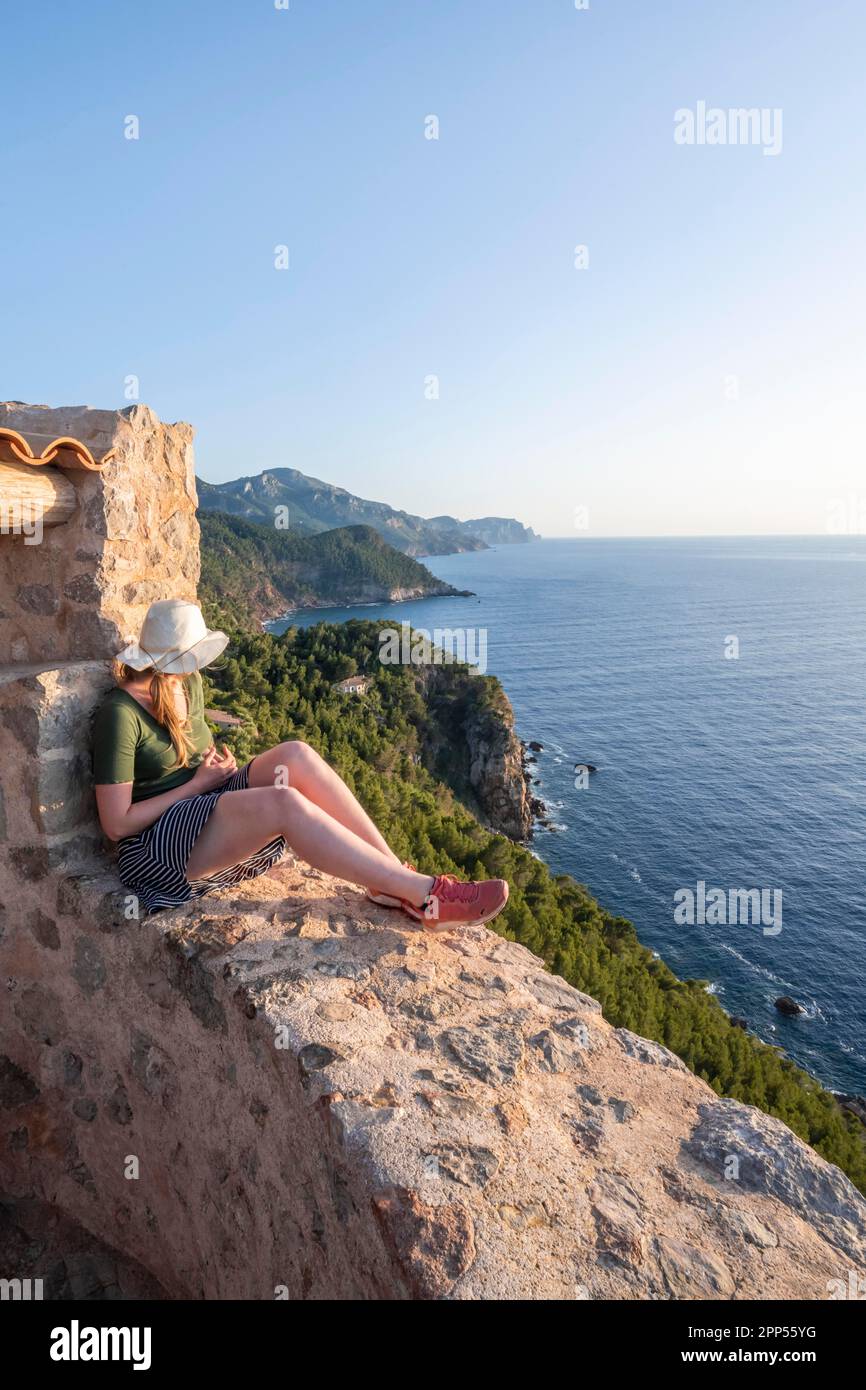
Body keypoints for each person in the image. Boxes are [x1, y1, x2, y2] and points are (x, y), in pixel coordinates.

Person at [92, 599, 509, 927]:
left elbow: (191, 754)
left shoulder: (187, 684)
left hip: (204, 809)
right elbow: (116, 824)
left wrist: (217, 767)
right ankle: (426, 894)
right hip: (158, 848)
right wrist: (197, 784)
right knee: (284, 802)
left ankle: (389, 878)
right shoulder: (120, 713)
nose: (197, 665)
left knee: (295, 754)